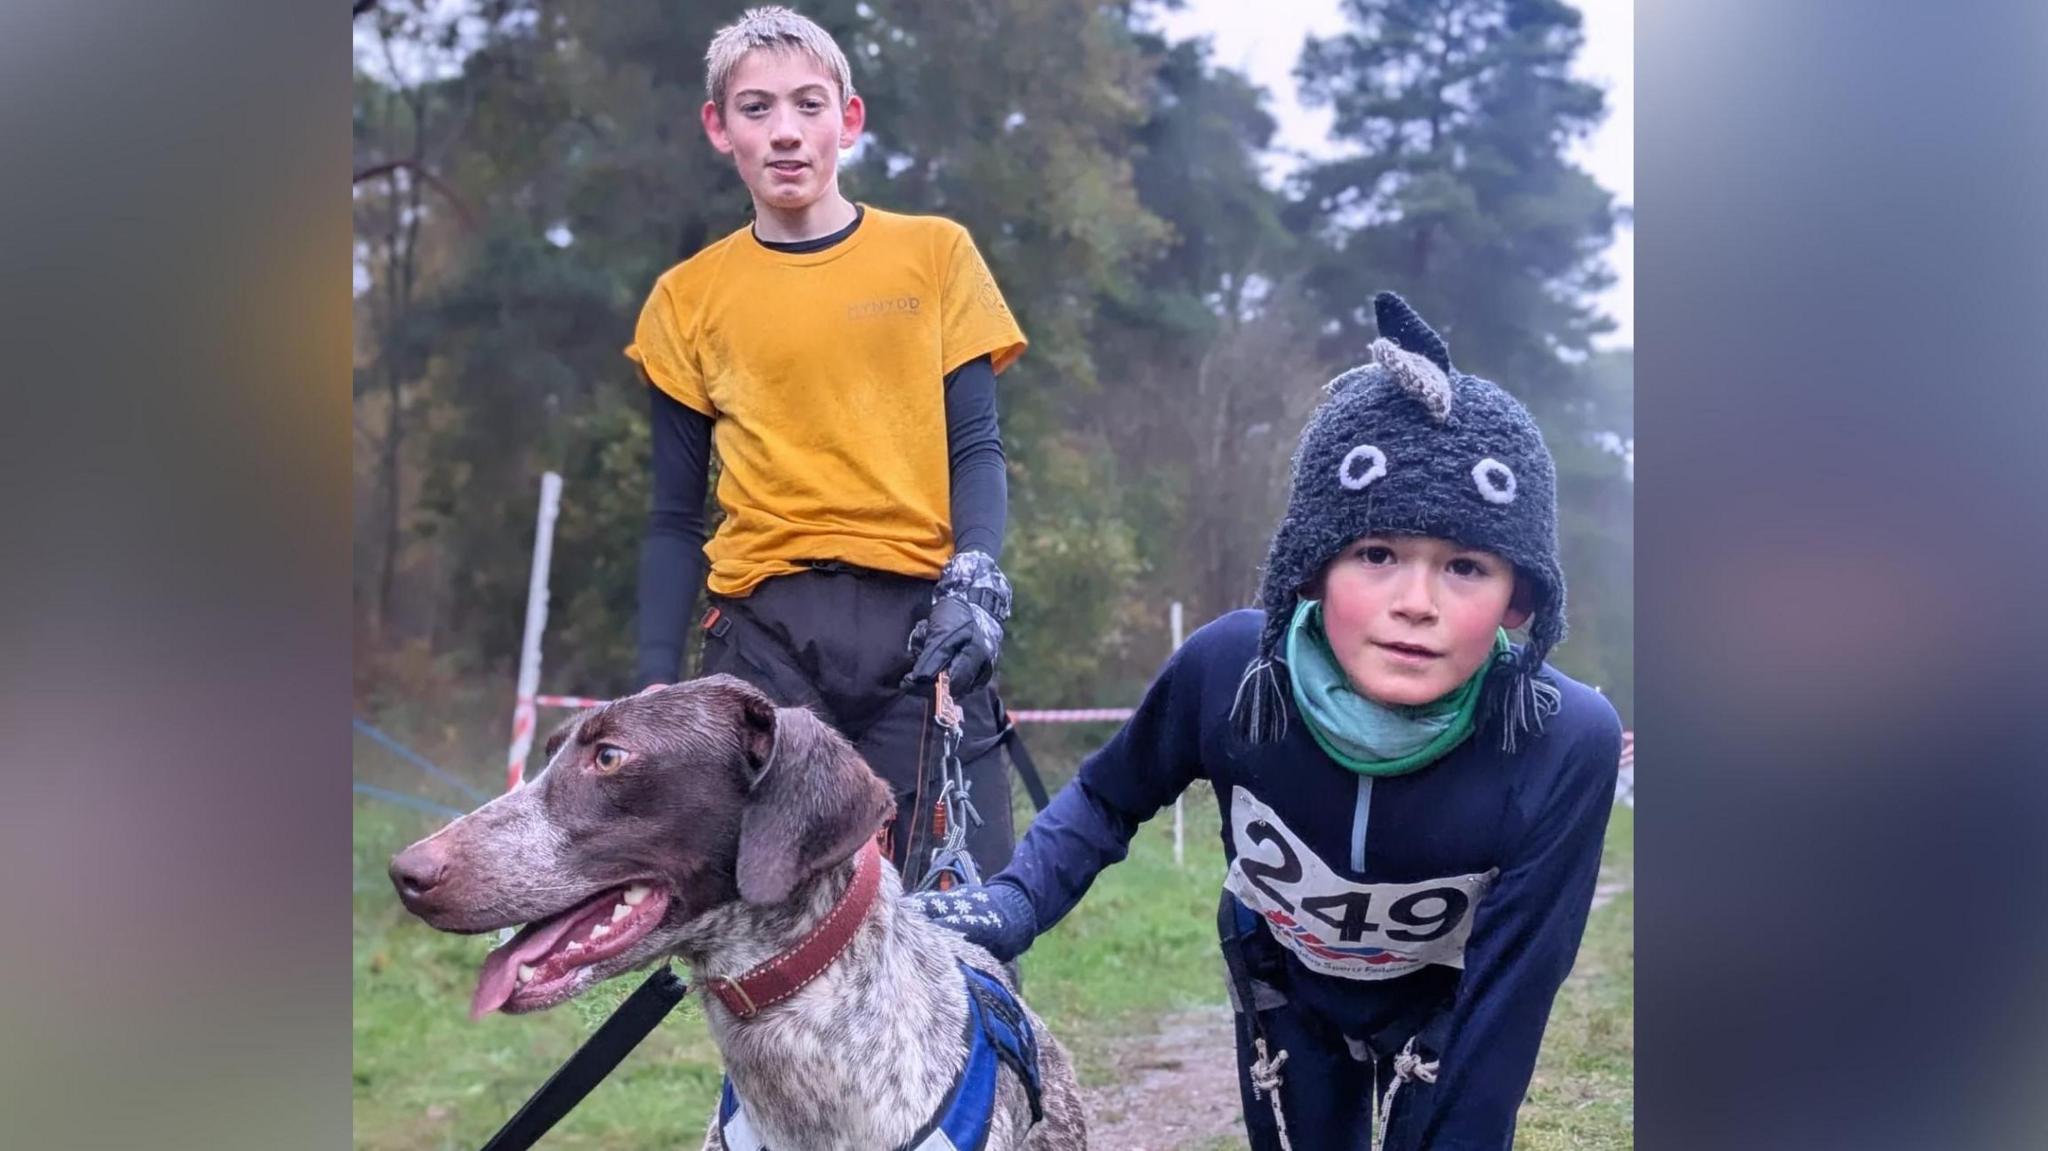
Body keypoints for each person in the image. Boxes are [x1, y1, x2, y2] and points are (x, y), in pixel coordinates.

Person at [913, 293, 1624, 1150]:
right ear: (1312, 567)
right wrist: (1016, 902)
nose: (1415, 603)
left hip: (1446, 1008)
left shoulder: (1560, 738)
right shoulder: (1228, 672)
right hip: (1287, 988)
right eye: (1376, 552)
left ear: (1521, 602)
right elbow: (1108, 799)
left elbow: (1509, 1007)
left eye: (1466, 566)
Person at [627, 6, 1028, 883]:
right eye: (757, 108)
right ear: (718, 127)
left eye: (809, 106)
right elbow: (671, 513)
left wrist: (978, 579)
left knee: (966, 915)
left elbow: (977, 448)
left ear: (848, 120)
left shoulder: (935, 255)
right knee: (768, 918)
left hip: (924, 634)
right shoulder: (686, 298)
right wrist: (655, 682)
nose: (785, 133)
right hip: (762, 638)